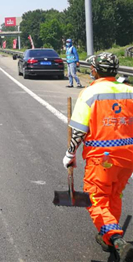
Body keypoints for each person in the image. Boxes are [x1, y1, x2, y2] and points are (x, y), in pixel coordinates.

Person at [63, 52, 133, 260]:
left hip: (101, 158)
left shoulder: (90, 93)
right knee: (114, 194)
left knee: (96, 199)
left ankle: (115, 238)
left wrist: (70, 153)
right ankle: (107, 236)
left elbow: (78, 131)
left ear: (94, 70)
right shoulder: (130, 91)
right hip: (128, 157)